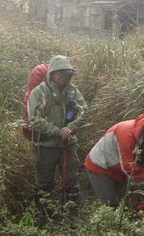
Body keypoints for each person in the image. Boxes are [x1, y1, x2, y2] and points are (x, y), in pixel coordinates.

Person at [27, 55, 86, 216]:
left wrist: (71, 127)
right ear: (52, 73)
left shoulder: (72, 91)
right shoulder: (39, 92)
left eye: (67, 74)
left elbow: (83, 110)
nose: (64, 77)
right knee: (44, 184)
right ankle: (41, 218)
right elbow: (34, 119)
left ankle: (72, 218)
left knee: (72, 182)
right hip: (46, 146)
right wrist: (57, 131)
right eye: (60, 74)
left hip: (68, 145)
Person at [84, 113, 144, 207]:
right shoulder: (126, 134)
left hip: (118, 168)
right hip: (99, 166)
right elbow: (129, 167)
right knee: (111, 205)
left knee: (122, 203)